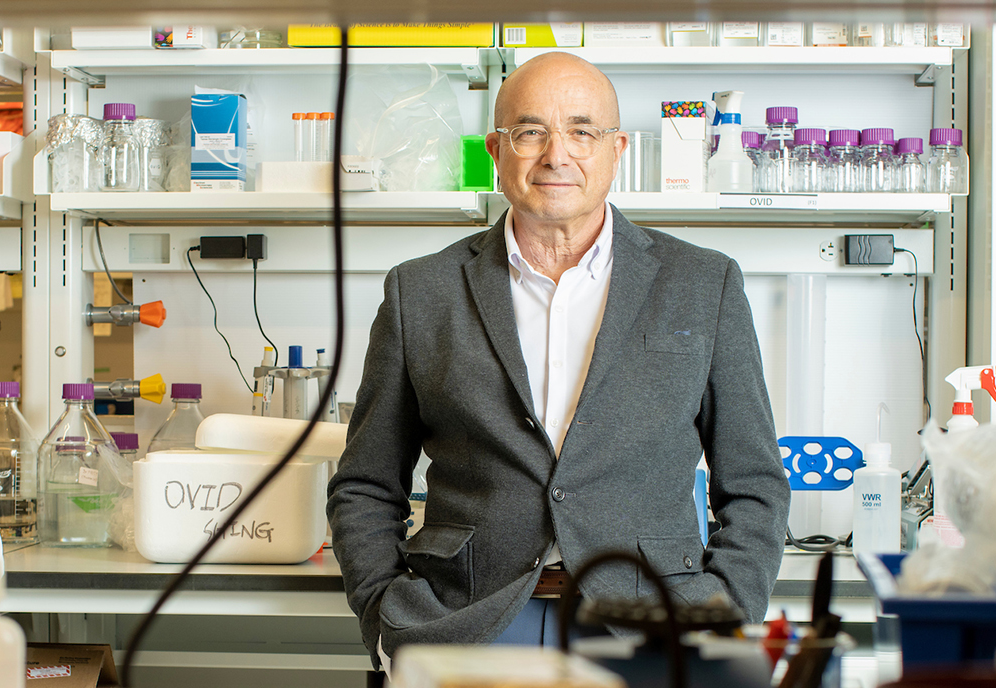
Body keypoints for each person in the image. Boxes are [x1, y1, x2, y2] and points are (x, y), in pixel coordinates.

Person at [327, 53, 789, 663]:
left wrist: (722, 614)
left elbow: (754, 484)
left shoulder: (705, 284)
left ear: (616, 148)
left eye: (581, 130)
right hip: (464, 627)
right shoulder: (422, 291)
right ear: (496, 150)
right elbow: (364, 483)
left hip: (654, 629)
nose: (556, 154)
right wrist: (386, 616)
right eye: (529, 131)